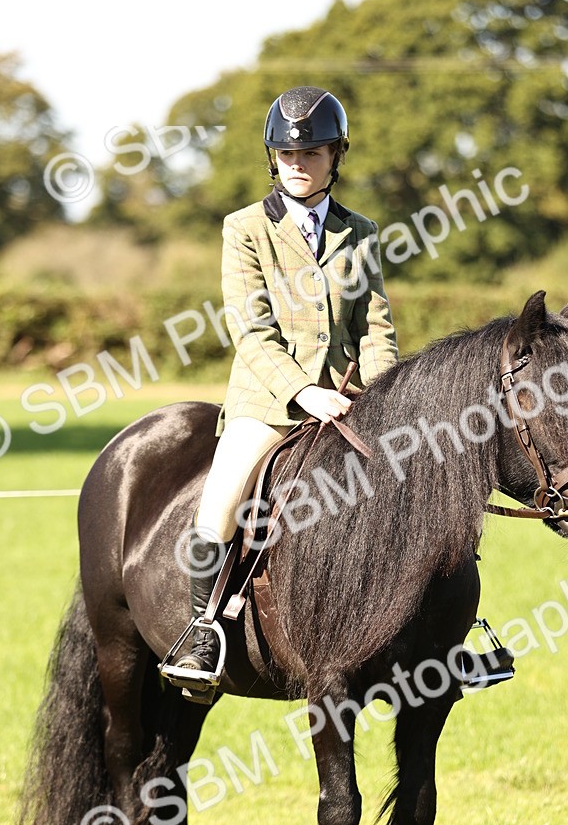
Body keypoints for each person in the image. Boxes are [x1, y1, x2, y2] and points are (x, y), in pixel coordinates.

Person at [162, 86, 399, 700]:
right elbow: (249, 327)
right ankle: (203, 632)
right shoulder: (244, 229)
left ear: (336, 156)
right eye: (287, 153)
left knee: (422, 476)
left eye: (313, 152)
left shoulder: (361, 232)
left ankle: (447, 628)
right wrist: (302, 392)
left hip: (350, 400)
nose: (298, 162)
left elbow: (375, 329)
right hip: (268, 404)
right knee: (220, 501)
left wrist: (385, 398)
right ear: (273, 157)